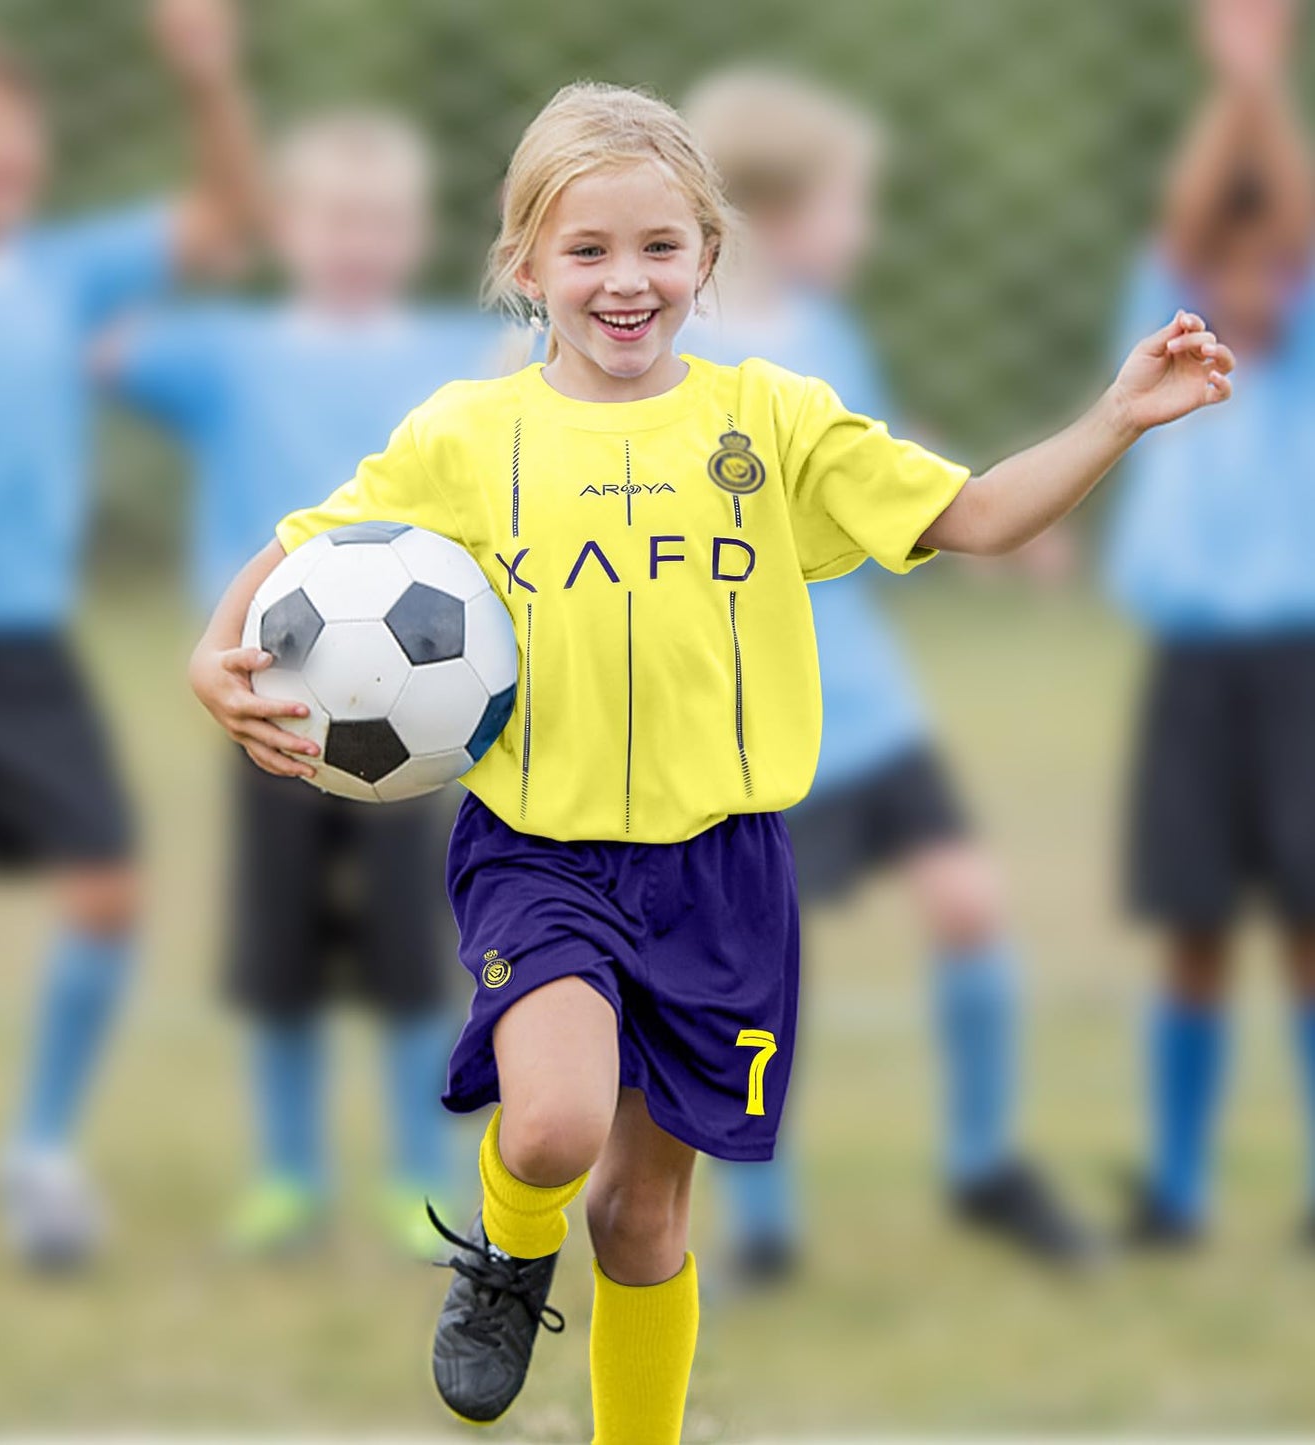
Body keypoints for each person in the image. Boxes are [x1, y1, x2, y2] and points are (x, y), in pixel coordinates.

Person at [189, 79, 1231, 1442]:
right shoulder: (468, 434)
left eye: (659, 248)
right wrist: (219, 645)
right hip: (542, 850)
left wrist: (1113, 418)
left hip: (722, 871)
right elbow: (313, 544)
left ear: (709, 258)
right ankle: (505, 1252)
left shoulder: (774, 422)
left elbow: (972, 515)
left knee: (641, 1214)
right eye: (588, 251)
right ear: (524, 268)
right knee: (553, 1130)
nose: (627, 281)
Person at [681, 68, 1095, 1282]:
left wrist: (998, 519)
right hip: (763, 725)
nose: (862, 231)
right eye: (850, 203)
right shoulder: (677, 361)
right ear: (777, 207)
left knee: (967, 902)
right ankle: (762, 1223)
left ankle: (983, 1165)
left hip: (871, 705)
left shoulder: (826, 337)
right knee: (764, 972)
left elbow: (878, 445)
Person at [0, 0, 257, 1272]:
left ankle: (38, 1151)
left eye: (19, 124)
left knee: (107, 893)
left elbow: (225, 222)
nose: (5, 145)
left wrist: (205, 76)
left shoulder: (66, 272)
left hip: (21, 645)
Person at [102, 110, 501, 1259]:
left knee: (410, 952)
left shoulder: (456, 357)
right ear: (287, 228)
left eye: (379, 220)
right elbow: (98, 340)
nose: (355, 240)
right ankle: (287, 1171)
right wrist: (182, 247)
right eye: (331, 218)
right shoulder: (233, 349)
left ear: (415, 232)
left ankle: (412, 1175)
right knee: (276, 950)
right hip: (267, 706)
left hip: (420, 719)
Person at [1105, 0, 1315, 1248]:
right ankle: (1176, 1191)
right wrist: (1230, 86)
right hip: (1190, 664)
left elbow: (1282, 216)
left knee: (1305, 926)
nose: (1244, 279)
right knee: (1191, 925)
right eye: (1221, 266)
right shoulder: (1178, 336)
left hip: (1299, 667)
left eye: (1268, 259)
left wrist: (1259, 84)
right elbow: (1190, 223)